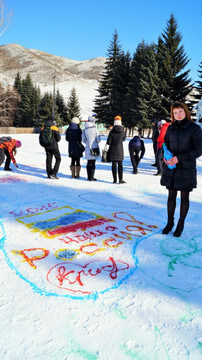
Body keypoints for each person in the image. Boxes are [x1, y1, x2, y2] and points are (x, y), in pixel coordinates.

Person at [161, 102, 202, 237]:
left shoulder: (194, 128)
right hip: (171, 168)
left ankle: (180, 224)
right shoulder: (171, 128)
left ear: (186, 112)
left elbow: (198, 150)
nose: (178, 115)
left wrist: (180, 158)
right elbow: (165, 144)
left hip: (186, 168)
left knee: (184, 197)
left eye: (180, 112)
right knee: (171, 196)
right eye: (175, 113)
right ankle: (170, 222)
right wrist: (165, 158)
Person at [107, 115, 126, 184]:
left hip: (112, 150)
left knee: (113, 165)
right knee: (120, 165)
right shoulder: (122, 131)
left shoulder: (112, 132)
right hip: (120, 150)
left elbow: (108, 142)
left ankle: (114, 179)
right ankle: (120, 179)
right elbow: (124, 139)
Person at [40, 115, 61, 179]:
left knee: (49, 159)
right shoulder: (54, 127)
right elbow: (58, 138)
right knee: (58, 158)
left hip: (46, 146)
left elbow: (40, 137)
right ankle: (54, 173)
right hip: (53, 145)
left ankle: (49, 173)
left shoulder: (43, 127)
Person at [82, 114, 101, 181]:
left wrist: (88, 143)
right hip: (94, 147)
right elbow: (99, 139)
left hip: (88, 148)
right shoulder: (95, 130)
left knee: (88, 162)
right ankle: (92, 177)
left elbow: (83, 140)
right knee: (93, 163)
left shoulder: (84, 130)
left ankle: (88, 176)